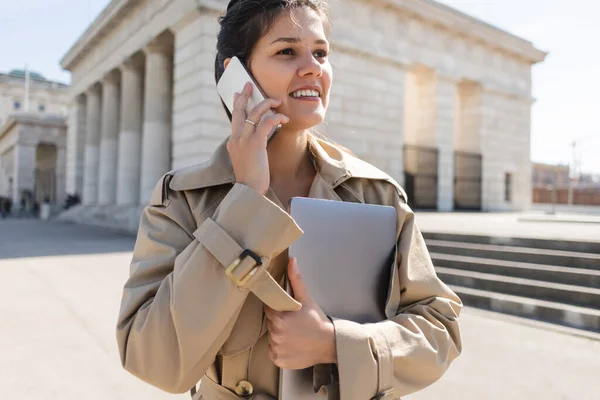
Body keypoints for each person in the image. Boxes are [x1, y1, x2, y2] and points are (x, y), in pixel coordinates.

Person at [116, 1, 462, 399]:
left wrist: (335, 343)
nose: (313, 67)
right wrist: (244, 204)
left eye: (320, 52)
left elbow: (441, 328)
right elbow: (152, 360)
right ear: (236, 76)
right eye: (286, 51)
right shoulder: (183, 200)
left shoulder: (375, 194)